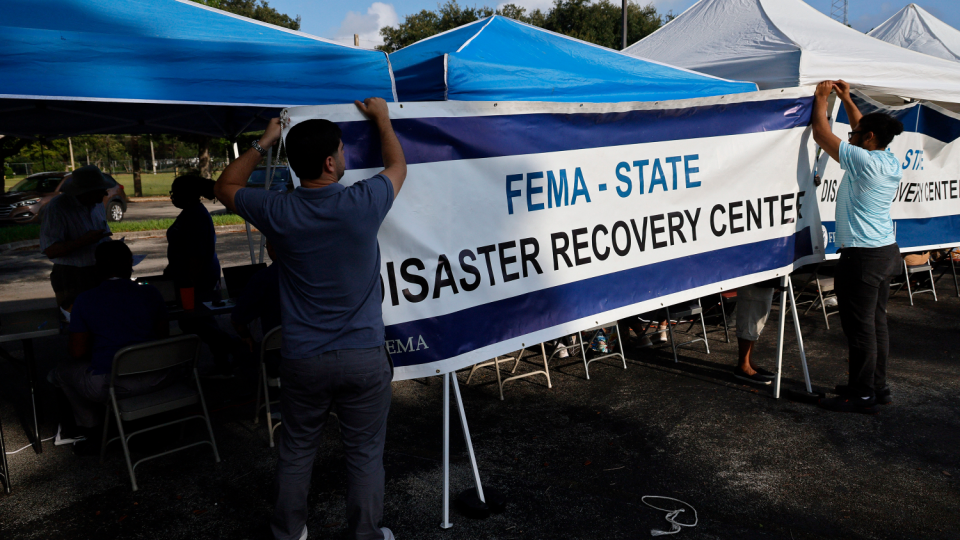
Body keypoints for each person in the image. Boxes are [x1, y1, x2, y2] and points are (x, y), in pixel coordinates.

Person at [214, 98, 406, 540]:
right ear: (329, 161)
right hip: (362, 356)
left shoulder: (278, 211)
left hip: (303, 358)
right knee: (364, 453)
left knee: (297, 450)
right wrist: (382, 120)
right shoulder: (364, 201)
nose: (345, 157)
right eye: (341, 150)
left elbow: (226, 186)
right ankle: (365, 534)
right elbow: (398, 165)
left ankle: (289, 532)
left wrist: (264, 142)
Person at [811, 80, 904, 414]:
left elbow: (822, 135)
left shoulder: (864, 162)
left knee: (860, 328)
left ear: (868, 140)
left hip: (863, 256)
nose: (849, 137)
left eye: (855, 135)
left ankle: (861, 394)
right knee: (876, 324)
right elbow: (858, 126)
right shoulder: (887, 158)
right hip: (883, 252)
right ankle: (876, 387)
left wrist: (822, 98)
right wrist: (847, 99)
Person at [50, 241, 173, 454]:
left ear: (97, 268)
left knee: (61, 372)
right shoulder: (151, 293)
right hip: (159, 377)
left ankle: (91, 429)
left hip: (114, 384)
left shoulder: (85, 300)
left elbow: (77, 352)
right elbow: (163, 336)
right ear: (130, 265)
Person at [164, 175, 238, 378]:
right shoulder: (190, 213)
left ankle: (234, 349)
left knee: (195, 321)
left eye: (174, 193)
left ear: (184, 194)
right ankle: (225, 358)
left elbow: (196, 255)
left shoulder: (195, 216)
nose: (172, 197)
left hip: (197, 278)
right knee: (199, 322)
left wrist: (190, 282)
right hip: (192, 276)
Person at [39, 165, 113, 311]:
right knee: (76, 318)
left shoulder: (97, 204)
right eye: (100, 190)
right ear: (86, 192)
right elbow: (50, 250)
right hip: (71, 276)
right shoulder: (57, 208)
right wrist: (83, 241)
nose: (105, 193)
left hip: (98, 271)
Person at [231, 240, 281, 372]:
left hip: (278, 350)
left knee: (238, 347)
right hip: (315, 345)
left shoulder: (263, 278)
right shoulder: (312, 273)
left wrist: (246, 336)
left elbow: (237, 319)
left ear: (271, 248)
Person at [732, 283, 777, 385]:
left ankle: (748, 361)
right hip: (752, 279)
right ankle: (743, 365)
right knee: (749, 319)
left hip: (766, 279)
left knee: (757, 320)